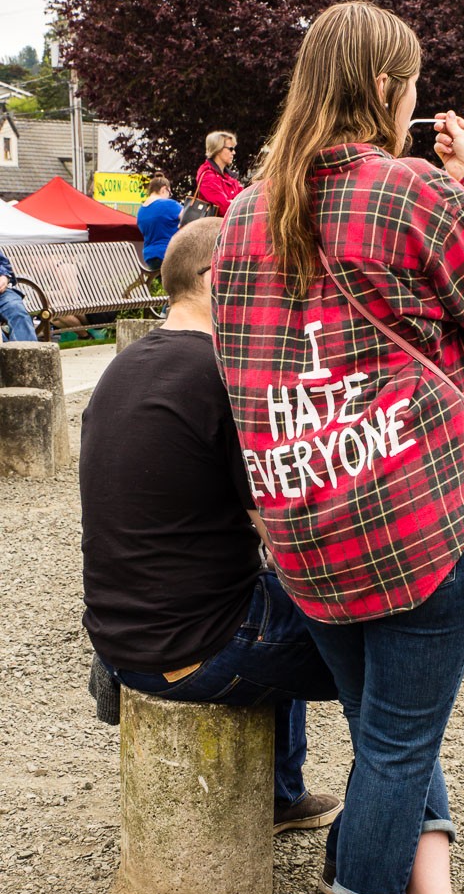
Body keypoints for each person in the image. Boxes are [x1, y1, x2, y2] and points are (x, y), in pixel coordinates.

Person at [213, 0, 464, 894]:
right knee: (396, 748)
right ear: (385, 91)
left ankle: (429, 890)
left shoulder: (241, 214)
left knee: (385, 729)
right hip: (421, 523)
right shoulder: (408, 192)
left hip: (306, 523)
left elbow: (242, 380)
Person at [79, 217, 342, 834]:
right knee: (388, 643)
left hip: (124, 627)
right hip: (196, 647)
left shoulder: (126, 365)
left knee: (272, 597)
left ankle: (280, 793)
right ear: (218, 277)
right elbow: (285, 538)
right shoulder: (224, 375)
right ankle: (370, 852)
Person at [136, 173, 182, 269]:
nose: (169, 197)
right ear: (164, 189)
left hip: (150, 258)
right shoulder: (168, 204)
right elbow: (190, 218)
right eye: (169, 193)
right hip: (169, 255)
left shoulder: (141, 211)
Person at [195, 131, 243, 216]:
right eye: (230, 149)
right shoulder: (207, 176)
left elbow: (243, 199)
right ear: (218, 149)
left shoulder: (230, 178)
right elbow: (224, 208)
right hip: (212, 227)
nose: (234, 153)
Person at [0, 248, 38, 342]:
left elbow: (3, 263)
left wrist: (4, 276)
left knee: (16, 309)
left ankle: (27, 353)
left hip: (2, 293)